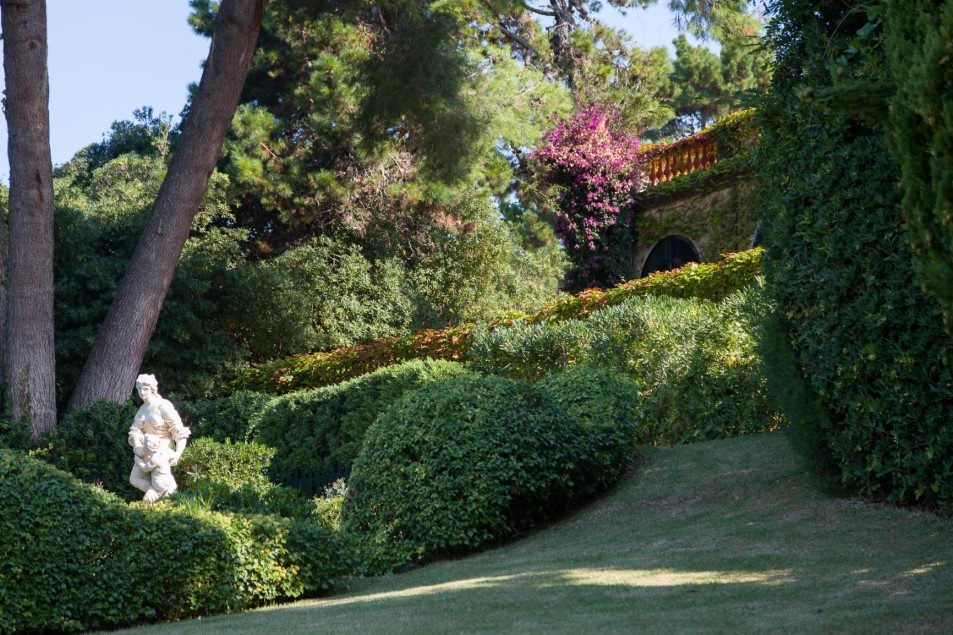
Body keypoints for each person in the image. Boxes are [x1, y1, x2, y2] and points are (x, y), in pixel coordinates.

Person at [128, 374, 191, 502]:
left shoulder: (163, 406)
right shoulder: (142, 409)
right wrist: (137, 447)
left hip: (162, 451)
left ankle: (163, 497)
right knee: (134, 479)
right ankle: (160, 495)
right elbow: (134, 431)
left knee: (160, 480)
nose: (142, 392)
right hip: (145, 451)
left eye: (145, 389)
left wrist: (177, 455)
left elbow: (179, 431)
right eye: (139, 389)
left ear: (152, 389)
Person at [134, 434, 178, 503]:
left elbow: (145, 469)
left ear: (148, 448)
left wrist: (138, 461)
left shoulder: (155, 459)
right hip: (158, 488)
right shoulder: (161, 454)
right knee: (147, 500)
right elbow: (173, 455)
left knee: (167, 503)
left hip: (168, 487)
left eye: (144, 445)